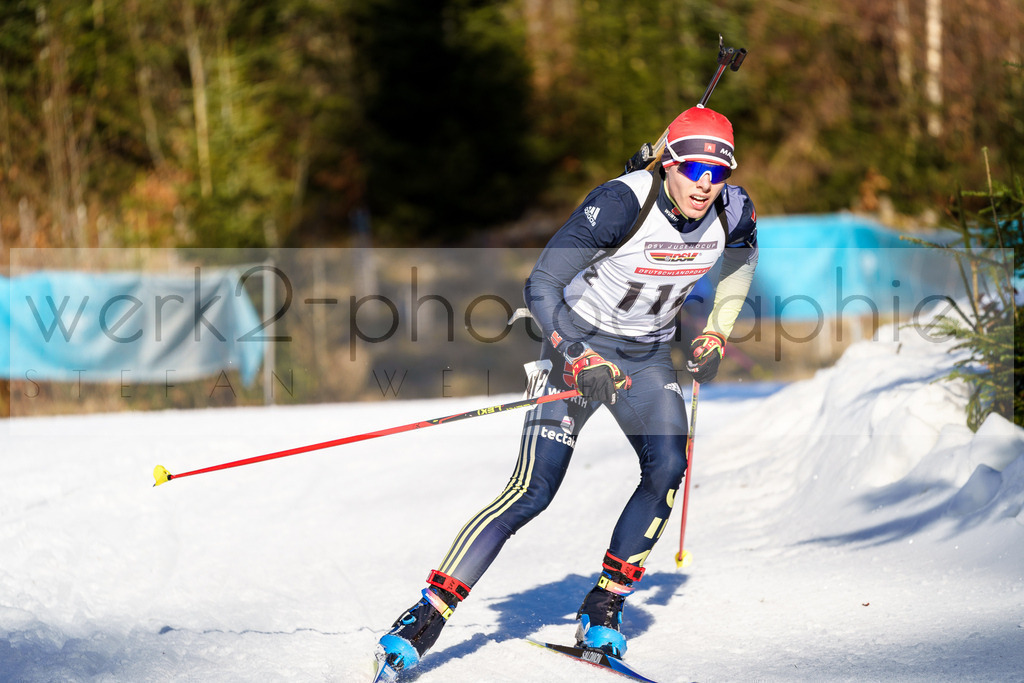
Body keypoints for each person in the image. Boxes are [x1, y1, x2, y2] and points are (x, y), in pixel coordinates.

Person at [374, 106, 758, 678]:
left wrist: (716, 333)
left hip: (647, 355)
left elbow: (742, 259)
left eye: (718, 171)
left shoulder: (733, 209)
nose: (706, 184)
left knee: (668, 467)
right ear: (668, 164)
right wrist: (579, 356)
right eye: (694, 168)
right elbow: (543, 283)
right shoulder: (623, 202)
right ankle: (426, 616)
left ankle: (603, 606)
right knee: (533, 491)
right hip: (572, 345)